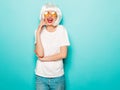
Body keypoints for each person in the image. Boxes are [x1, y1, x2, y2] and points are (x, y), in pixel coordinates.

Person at [34, 3, 70, 90]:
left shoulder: (62, 30)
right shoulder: (38, 31)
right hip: (40, 76)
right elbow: (40, 54)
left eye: (53, 13)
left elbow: (63, 54)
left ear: (57, 16)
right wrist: (38, 32)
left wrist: (44, 59)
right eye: (47, 13)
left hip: (57, 77)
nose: (50, 16)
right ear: (43, 16)